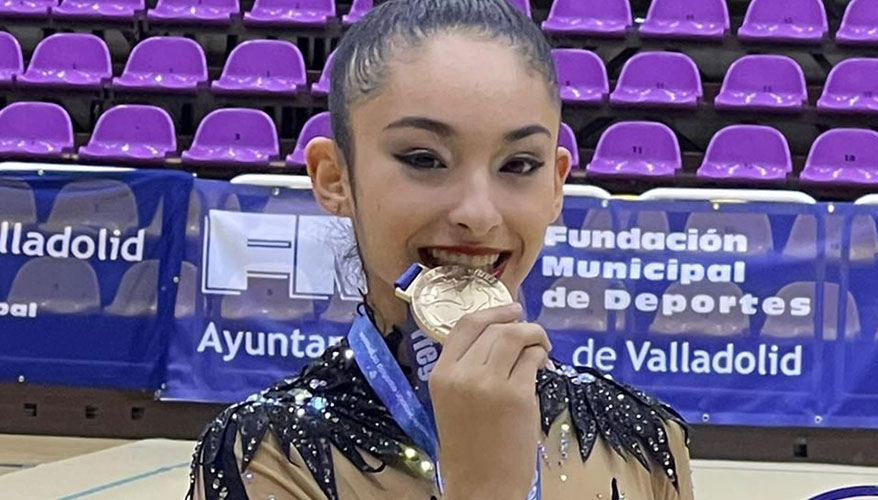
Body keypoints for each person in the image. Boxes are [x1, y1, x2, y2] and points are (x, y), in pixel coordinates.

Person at [186, 1, 694, 499]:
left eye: (519, 164)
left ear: (556, 185)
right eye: (425, 159)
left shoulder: (642, 439)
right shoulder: (266, 457)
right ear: (335, 177)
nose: (479, 213)